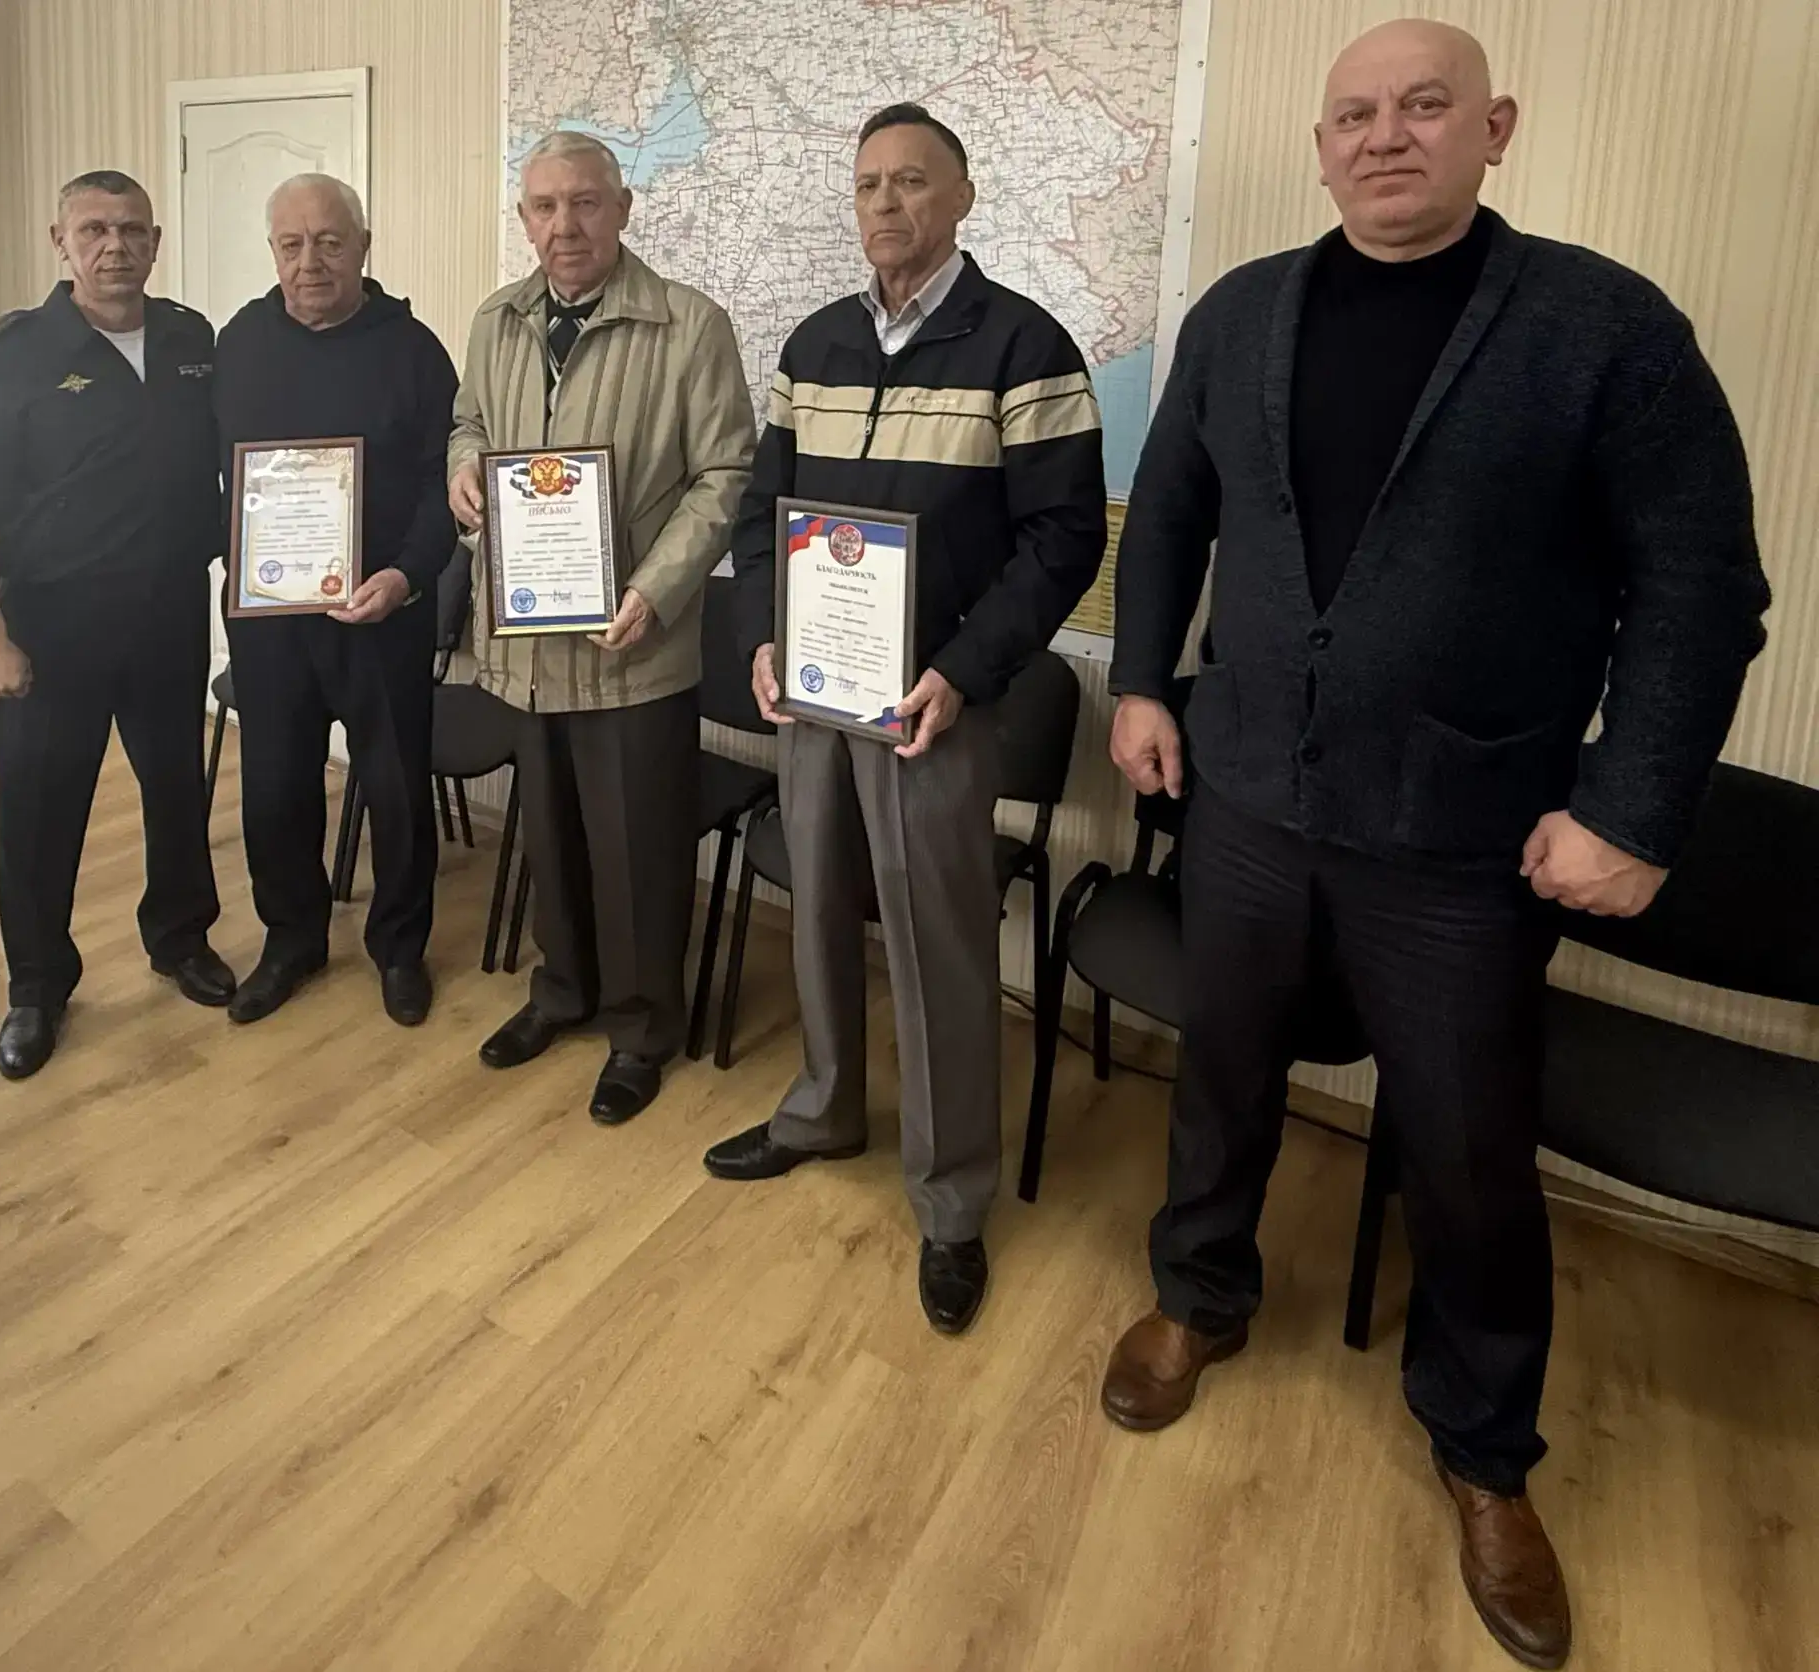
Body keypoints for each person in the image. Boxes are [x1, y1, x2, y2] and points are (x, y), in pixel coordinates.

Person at [1101, 21, 1770, 1668]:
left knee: (1469, 1149)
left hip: (1462, 837)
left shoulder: (1605, 330)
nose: (1385, 136)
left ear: (1495, 128)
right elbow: (1170, 507)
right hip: (1247, 801)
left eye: (1423, 107)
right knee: (1222, 1076)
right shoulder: (1242, 312)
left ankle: (1484, 1447)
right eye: (1355, 114)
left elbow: (1700, 588)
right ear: (1321, 145)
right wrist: (1140, 682)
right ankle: (1199, 1298)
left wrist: (1630, 811)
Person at [710, 104, 1107, 1336]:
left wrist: (964, 671)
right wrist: (765, 636)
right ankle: (825, 1107)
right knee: (816, 903)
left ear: (963, 196)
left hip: (935, 704)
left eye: (913, 181)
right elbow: (764, 510)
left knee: (938, 946)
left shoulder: (1026, 346)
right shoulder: (816, 341)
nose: (887, 204)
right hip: (815, 695)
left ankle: (950, 1196)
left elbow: (1063, 541)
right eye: (870, 184)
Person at [448, 132, 756, 1121]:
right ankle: (562, 992)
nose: (564, 225)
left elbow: (726, 475)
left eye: (584, 203)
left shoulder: (688, 325)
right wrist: (463, 468)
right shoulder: (496, 320)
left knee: (638, 853)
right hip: (527, 647)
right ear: (524, 218)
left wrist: (657, 589)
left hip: (632, 645)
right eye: (544, 206)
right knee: (550, 837)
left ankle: (642, 1028)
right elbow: (469, 423)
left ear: (622, 208)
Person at [0, 170, 234, 1080]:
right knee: (39, 808)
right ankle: (37, 987)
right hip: (52, 622)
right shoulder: (10, 355)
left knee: (175, 787)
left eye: (133, 229)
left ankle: (180, 938)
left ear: (156, 241)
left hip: (168, 612)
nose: (116, 246)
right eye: (95, 229)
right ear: (59, 241)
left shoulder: (191, 340)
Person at [213, 174, 458, 1027]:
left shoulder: (415, 350)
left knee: (396, 790)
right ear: (273, 252)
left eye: (329, 242)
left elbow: (442, 486)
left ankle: (400, 948)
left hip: (384, 611)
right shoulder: (240, 343)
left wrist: (407, 574)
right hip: (271, 621)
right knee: (275, 787)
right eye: (292, 244)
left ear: (363, 246)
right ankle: (292, 940)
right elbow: (213, 471)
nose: (310, 261)